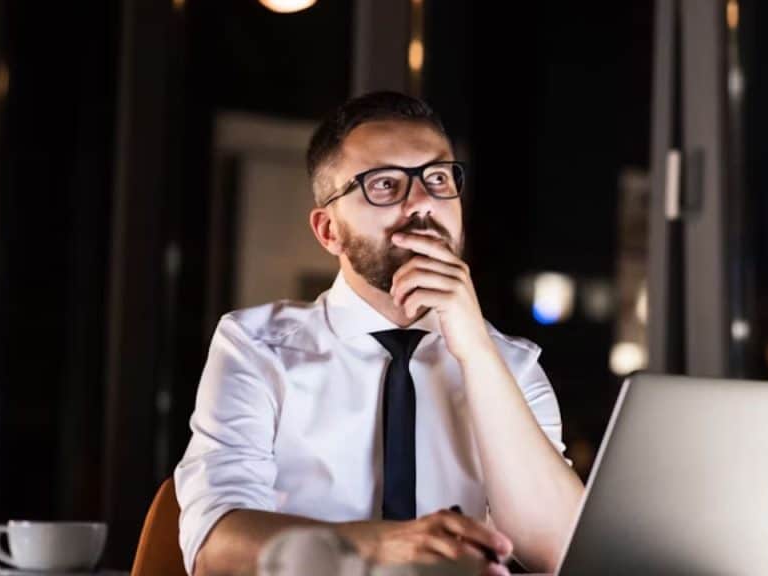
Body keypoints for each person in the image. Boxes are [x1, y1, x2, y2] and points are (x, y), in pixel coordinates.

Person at [175, 91, 584, 576]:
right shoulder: (255, 347)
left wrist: (475, 350)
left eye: (437, 178)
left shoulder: (512, 364)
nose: (422, 203)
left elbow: (560, 552)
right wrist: (381, 546)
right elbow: (214, 548)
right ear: (329, 230)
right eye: (385, 184)